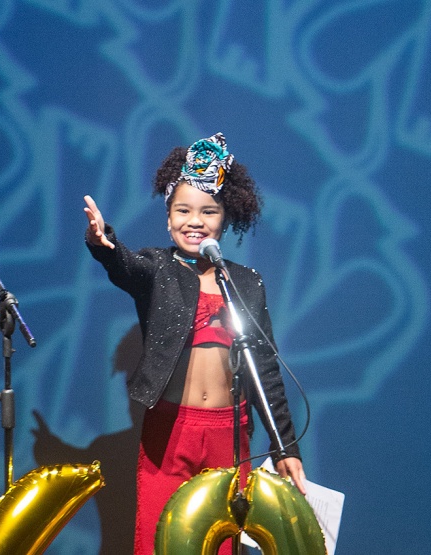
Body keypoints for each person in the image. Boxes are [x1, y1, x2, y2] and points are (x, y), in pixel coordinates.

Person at [83, 133, 306, 555]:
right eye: (182, 210)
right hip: (169, 432)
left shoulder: (245, 283)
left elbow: (265, 373)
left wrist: (284, 448)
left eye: (208, 211)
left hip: (230, 435)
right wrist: (105, 245)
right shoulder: (157, 268)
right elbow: (126, 267)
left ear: (226, 219)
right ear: (168, 218)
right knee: (160, 541)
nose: (194, 220)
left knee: (219, 545)